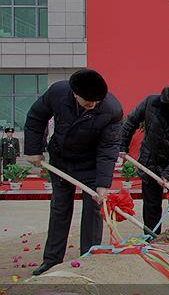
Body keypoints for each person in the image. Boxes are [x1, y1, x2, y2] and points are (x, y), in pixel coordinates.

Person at [24, 69, 123, 276]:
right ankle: (52, 260)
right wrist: (34, 150)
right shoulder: (58, 93)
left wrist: (103, 183)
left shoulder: (112, 109)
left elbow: (108, 148)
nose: (93, 105)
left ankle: (89, 258)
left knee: (93, 209)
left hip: (91, 165)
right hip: (61, 160)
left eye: (96, 101)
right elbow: (36, 117)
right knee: (60, 208)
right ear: (75, 93)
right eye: (88, 101)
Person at [119, 82, 169, 234]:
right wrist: (122, 146)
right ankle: (152, 238)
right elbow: (130, 122)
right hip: (150, 162)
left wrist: (168, 174)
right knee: (152, 205)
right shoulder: (151, 103)